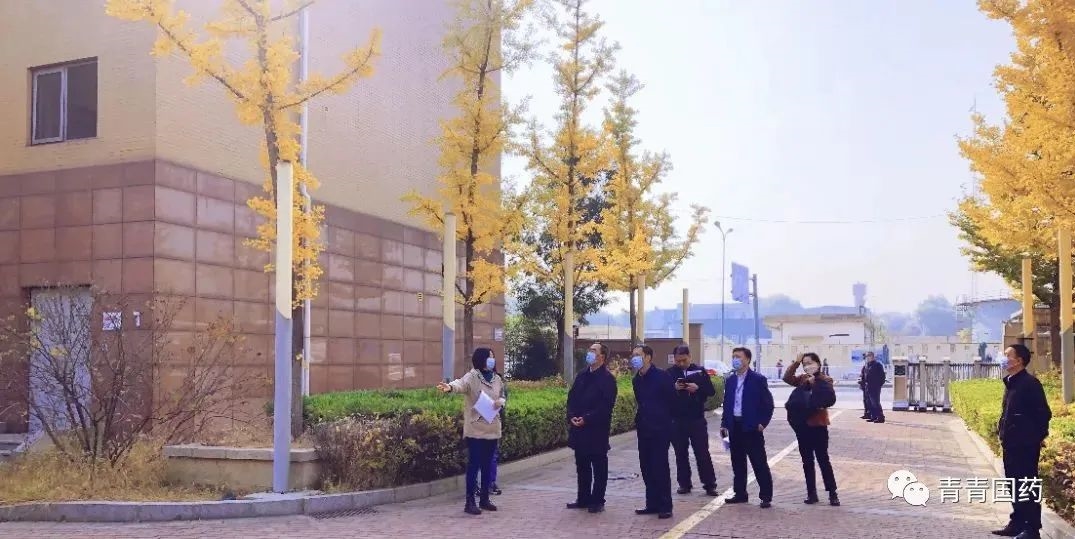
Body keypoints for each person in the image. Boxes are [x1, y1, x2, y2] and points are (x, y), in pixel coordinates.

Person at [435, 347, 506, 516]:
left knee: (487, 465)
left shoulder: (497, 379)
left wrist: (501, 402)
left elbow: (503, 395)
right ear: (481, 359)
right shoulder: (473, 376)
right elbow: (460, 384)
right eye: (489, 357)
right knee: (474, 466)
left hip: (492, 427)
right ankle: (470, 502)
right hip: (476, 429)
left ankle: (484, 499)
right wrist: (449, 387)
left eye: (493, 357)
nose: (492, 360)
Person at [991, 344, 1051, 539]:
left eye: (1007, 355)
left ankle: (1032, 529)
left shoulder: (1030, 384)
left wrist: (1034, 439)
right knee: (1014, 485)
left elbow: (1043, 414)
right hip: (1010, 444)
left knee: (1027, 485)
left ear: (1018, 361)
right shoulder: (1011, 382)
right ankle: (1017, 522)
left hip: (1025, 446)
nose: (1003, 358)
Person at [566, 342, 618, 514]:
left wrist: (587, 418)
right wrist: (572, 415)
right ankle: (583, 498)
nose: (589, 353)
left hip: (597, 430)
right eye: (589, 350)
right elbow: (572, 398)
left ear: (602, 357)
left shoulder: (608, 379)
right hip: (579, 429)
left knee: (599, 466)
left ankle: (597, 500)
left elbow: (606, 406)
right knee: (582, 465)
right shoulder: (582, 375)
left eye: (593, 351)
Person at [783, 353, 840, 507]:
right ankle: (811, 493)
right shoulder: (802, 379)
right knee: (807, 461)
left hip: (818, 425)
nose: (807, 366)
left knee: (823, 460)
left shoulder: (826, 379)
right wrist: (796, 362)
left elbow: (827, 398)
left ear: (818, 363)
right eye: (805, 364)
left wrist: (815, 382)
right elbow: (787, 378)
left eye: (810, 363)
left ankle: (832, 493)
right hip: (802, 426)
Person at [720, 347, 775, 508]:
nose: (735, 360)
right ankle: (740, 494)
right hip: (733, 426)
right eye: (733, 357)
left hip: (751, 427)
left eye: (738, 357)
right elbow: (727, 404)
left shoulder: (758, 379)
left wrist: (762, 423)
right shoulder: (730, 380)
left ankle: (766, 496)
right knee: (737, 462)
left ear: (747, 360)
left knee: (759, 462)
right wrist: (724, 425)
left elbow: (768, 404)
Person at [631, 345, 676, 519]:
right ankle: (652, 503)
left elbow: (672, 400)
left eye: (638, 355)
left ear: (648, 357)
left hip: (660, 429)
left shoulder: (662, 376)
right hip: (644, 428)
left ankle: (665, 505)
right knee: (646, 466)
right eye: (633, 355)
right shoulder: (637, 379)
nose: (635, 358)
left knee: (660, 467)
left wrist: (666, 421)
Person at [667, 344, 719, 496]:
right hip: (677, 420)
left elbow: (711, 391)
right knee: (680, 453)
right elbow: (663, 394)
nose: (681, 363)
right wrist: (674, 388)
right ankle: (684, 484)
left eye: (684, 360)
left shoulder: (700, 371)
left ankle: (709, 484)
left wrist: (698, 388)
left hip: (696, 419)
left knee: (702, 452)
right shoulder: (669, 373)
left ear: (690, 357)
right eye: (678, 361)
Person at [864, 351, 886, 423]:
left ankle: (880, 417)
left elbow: (882, 376)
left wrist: (878, 385)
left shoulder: (877, 365)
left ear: (872, 357)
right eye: (867, 356)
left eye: (869, 356)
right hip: (868, 386)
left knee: (875, 402)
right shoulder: (867, 365)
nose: (867, 358)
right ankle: (873, 416)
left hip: (875, 387)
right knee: (870, 403)